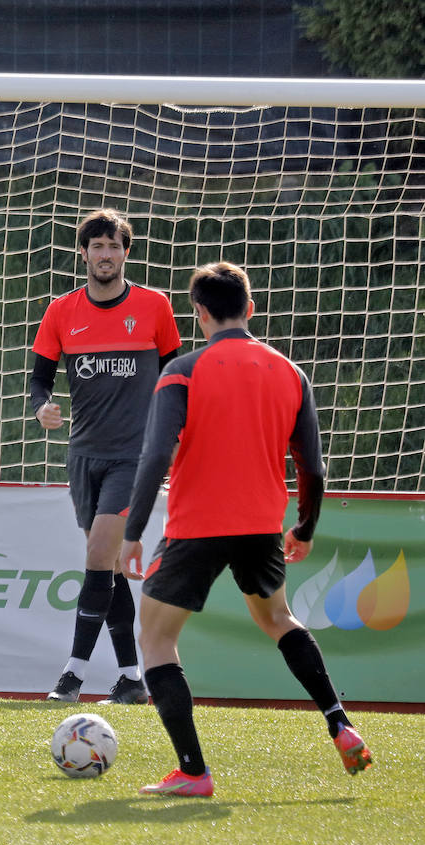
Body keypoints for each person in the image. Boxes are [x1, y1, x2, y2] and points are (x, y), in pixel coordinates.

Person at [119, 262, 372, 796]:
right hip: (262, 525)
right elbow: (313, 465)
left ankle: (193, 771)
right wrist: (303, 526)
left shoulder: (182, 371)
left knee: (156, 638)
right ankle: (338, 721)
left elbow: (155, 455)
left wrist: (133, 530)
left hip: (198, 527)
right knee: (280, 618)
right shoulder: (290, 373)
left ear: (200, 314)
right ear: (250, 310)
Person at [29, 208, 181, 705]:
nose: (105, 255)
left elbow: (175, 379)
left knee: (97, 556)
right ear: (84, 253)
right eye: (97, 246)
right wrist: (42, 408)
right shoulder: (61, 311)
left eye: (114, 246)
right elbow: (38, 380)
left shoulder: (155, 307)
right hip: (83, 455)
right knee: (109, 566)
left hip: (133, 459)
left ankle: (71, 676)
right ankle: (133, 679)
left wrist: (175, 437)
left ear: (125, 253)